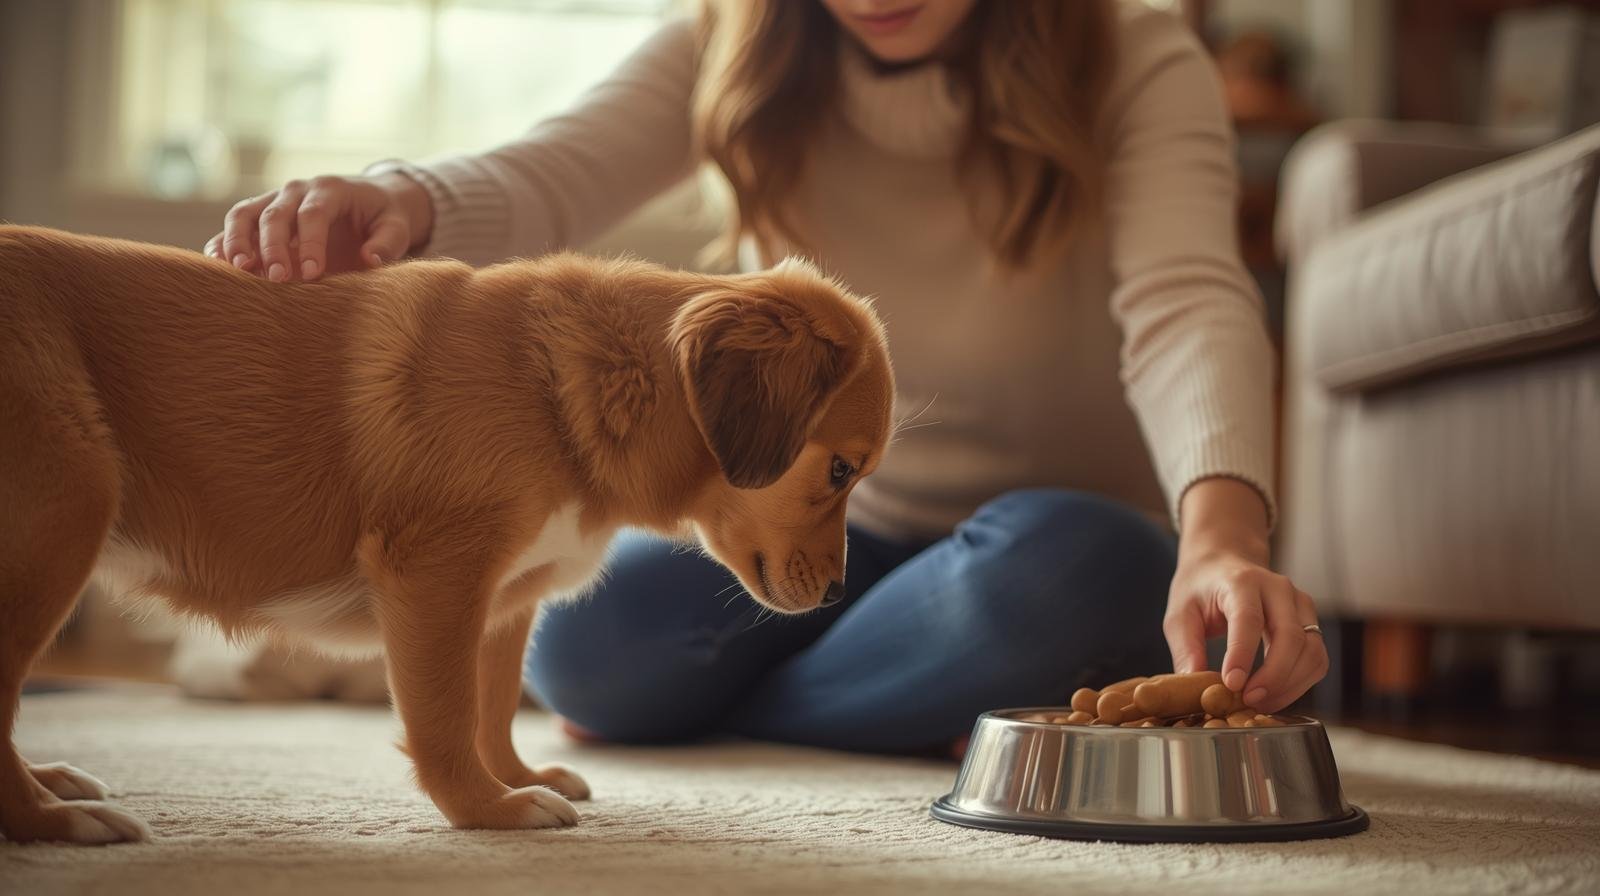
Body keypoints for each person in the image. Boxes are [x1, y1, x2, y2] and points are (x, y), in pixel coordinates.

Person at [206, 0, 1328, 755]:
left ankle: (746, 711)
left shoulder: (1137, 51)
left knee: (1077, 576)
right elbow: (551, 173)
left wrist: (1221, 536)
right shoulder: (732, 38)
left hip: (1035, 541)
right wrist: (400, 198)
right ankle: (909, 701)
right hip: (824, 525)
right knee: (590, 644)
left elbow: (1186, 299)